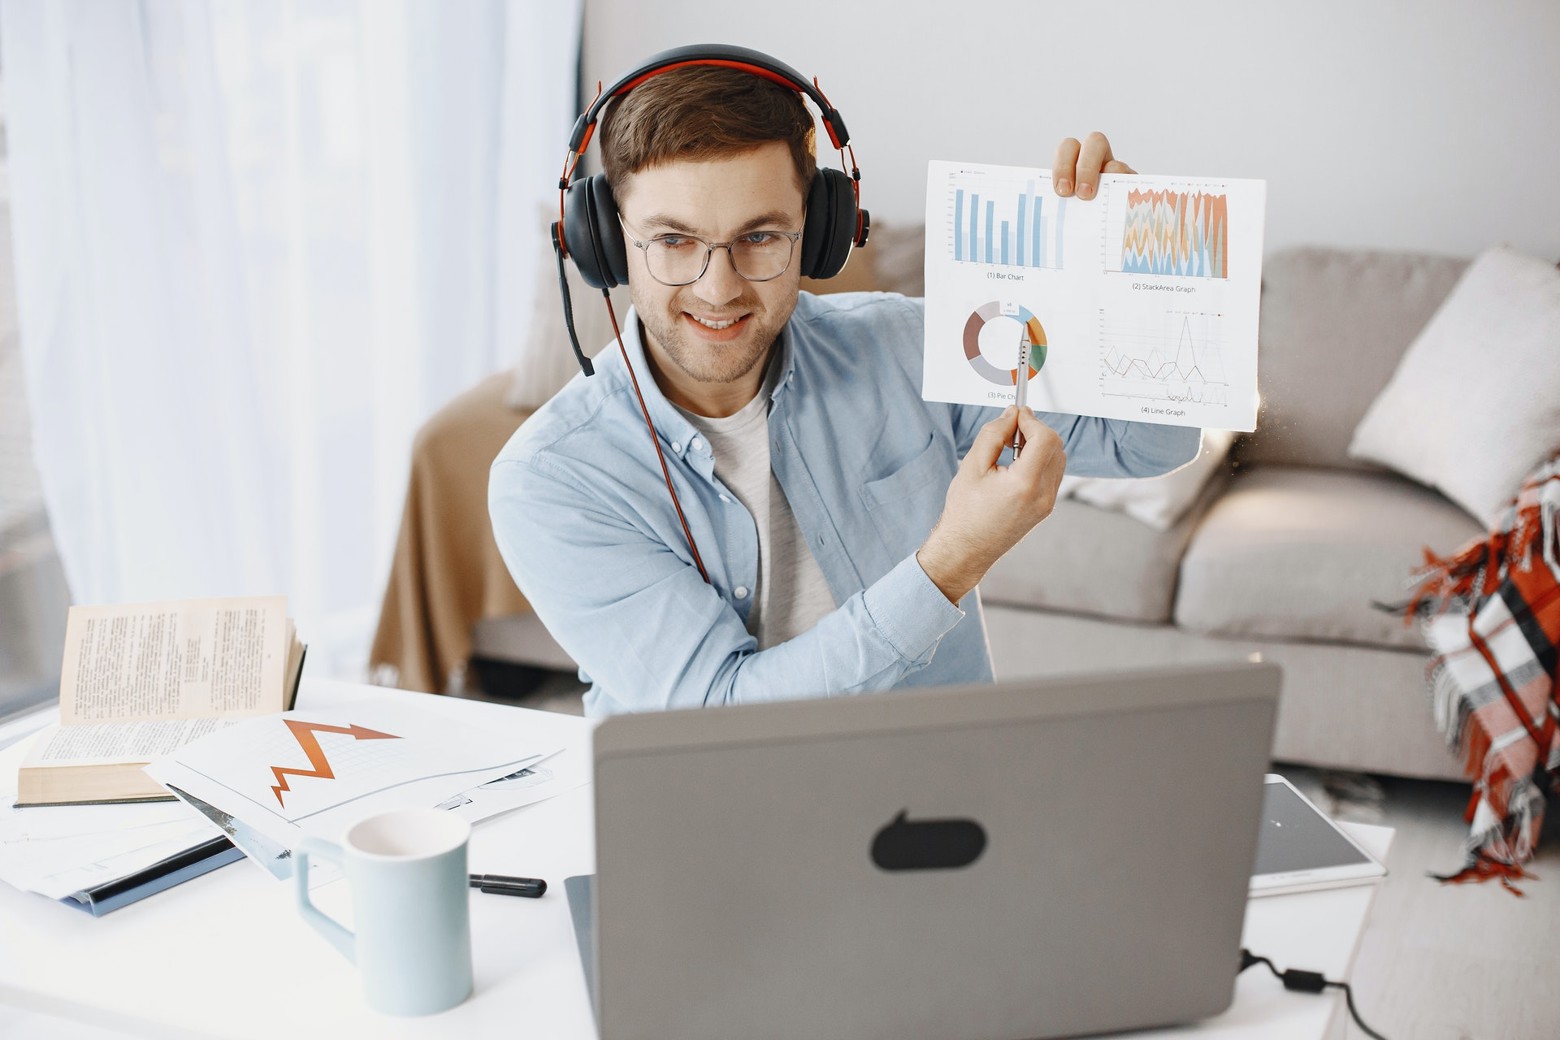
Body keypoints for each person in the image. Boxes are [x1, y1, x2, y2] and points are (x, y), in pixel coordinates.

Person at [490, 47, 1201, 716]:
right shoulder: (551, 477)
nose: (719, 288)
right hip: (720, 818)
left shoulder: (901, 347)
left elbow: (1150, 447)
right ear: (605, 240)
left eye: (760, 236)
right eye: (673, 241)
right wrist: (950, 562)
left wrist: (1135, 267)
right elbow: (721, 719)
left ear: (821, 230)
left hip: (942, 781)